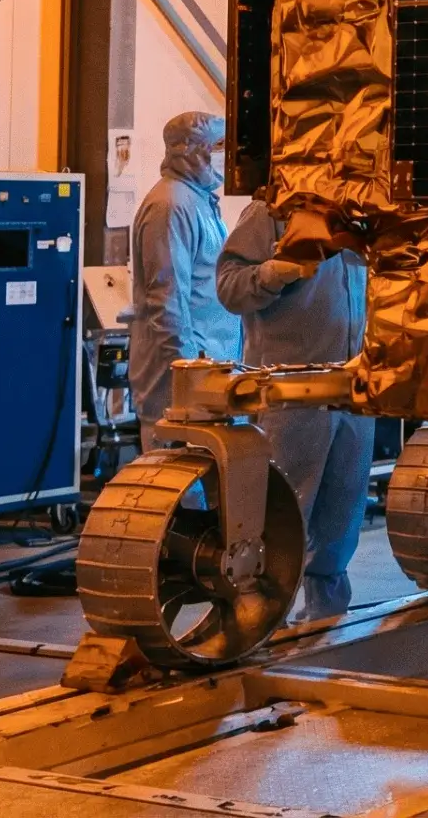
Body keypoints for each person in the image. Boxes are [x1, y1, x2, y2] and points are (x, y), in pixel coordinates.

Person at [218, 198, 372, 621]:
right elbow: (229, 287)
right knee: (282, 513)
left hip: (351, 386)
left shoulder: (355, 213)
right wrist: (273, 274)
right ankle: (260, 619)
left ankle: (325, 618)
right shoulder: (269, 213)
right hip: (289, 393)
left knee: (342, 510)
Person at [129, 112, 242, 448]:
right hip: (181, 383)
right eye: (219, 146)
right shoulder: (170, 206)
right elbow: (168, 301)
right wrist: (188, 375)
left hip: (208, 374)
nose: (227, 155)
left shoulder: (198, 202)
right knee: (179, 490)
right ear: (188, 149)